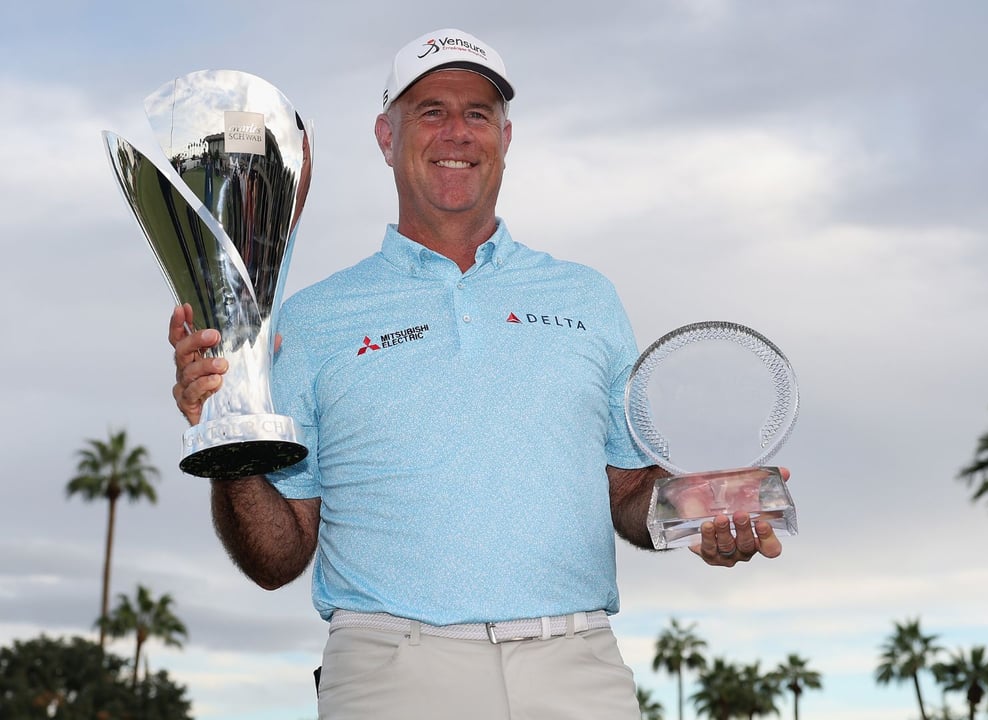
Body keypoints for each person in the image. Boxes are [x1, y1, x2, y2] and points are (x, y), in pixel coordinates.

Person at [168, 28, 785, 720]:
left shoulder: (588, 298)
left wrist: (705, 513)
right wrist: (226, 438)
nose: (456, 132)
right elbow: (277, 557)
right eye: (431, 111)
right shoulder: (312, 320)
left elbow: (630, 491)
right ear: (385, 134)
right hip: (391, 674)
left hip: (577, 667)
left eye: (478, 113)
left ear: (505, 136)